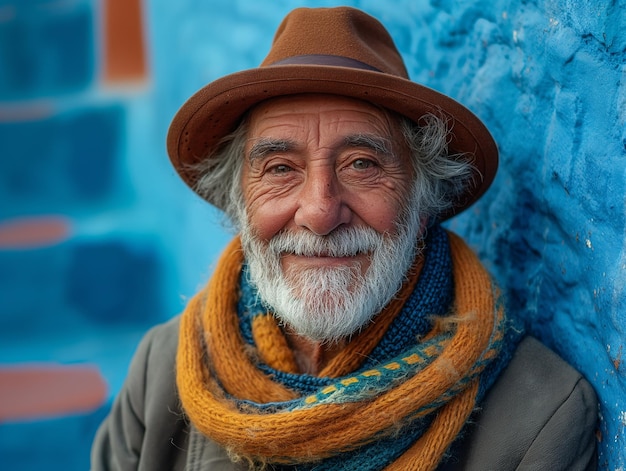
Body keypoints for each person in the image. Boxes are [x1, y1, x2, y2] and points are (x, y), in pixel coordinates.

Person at [91, 6, 598, 471]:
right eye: (280, 168)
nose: (319, 212)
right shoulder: (162, 371)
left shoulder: (538, 418)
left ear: (422, 204)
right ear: (240, 205)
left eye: (362, 164)